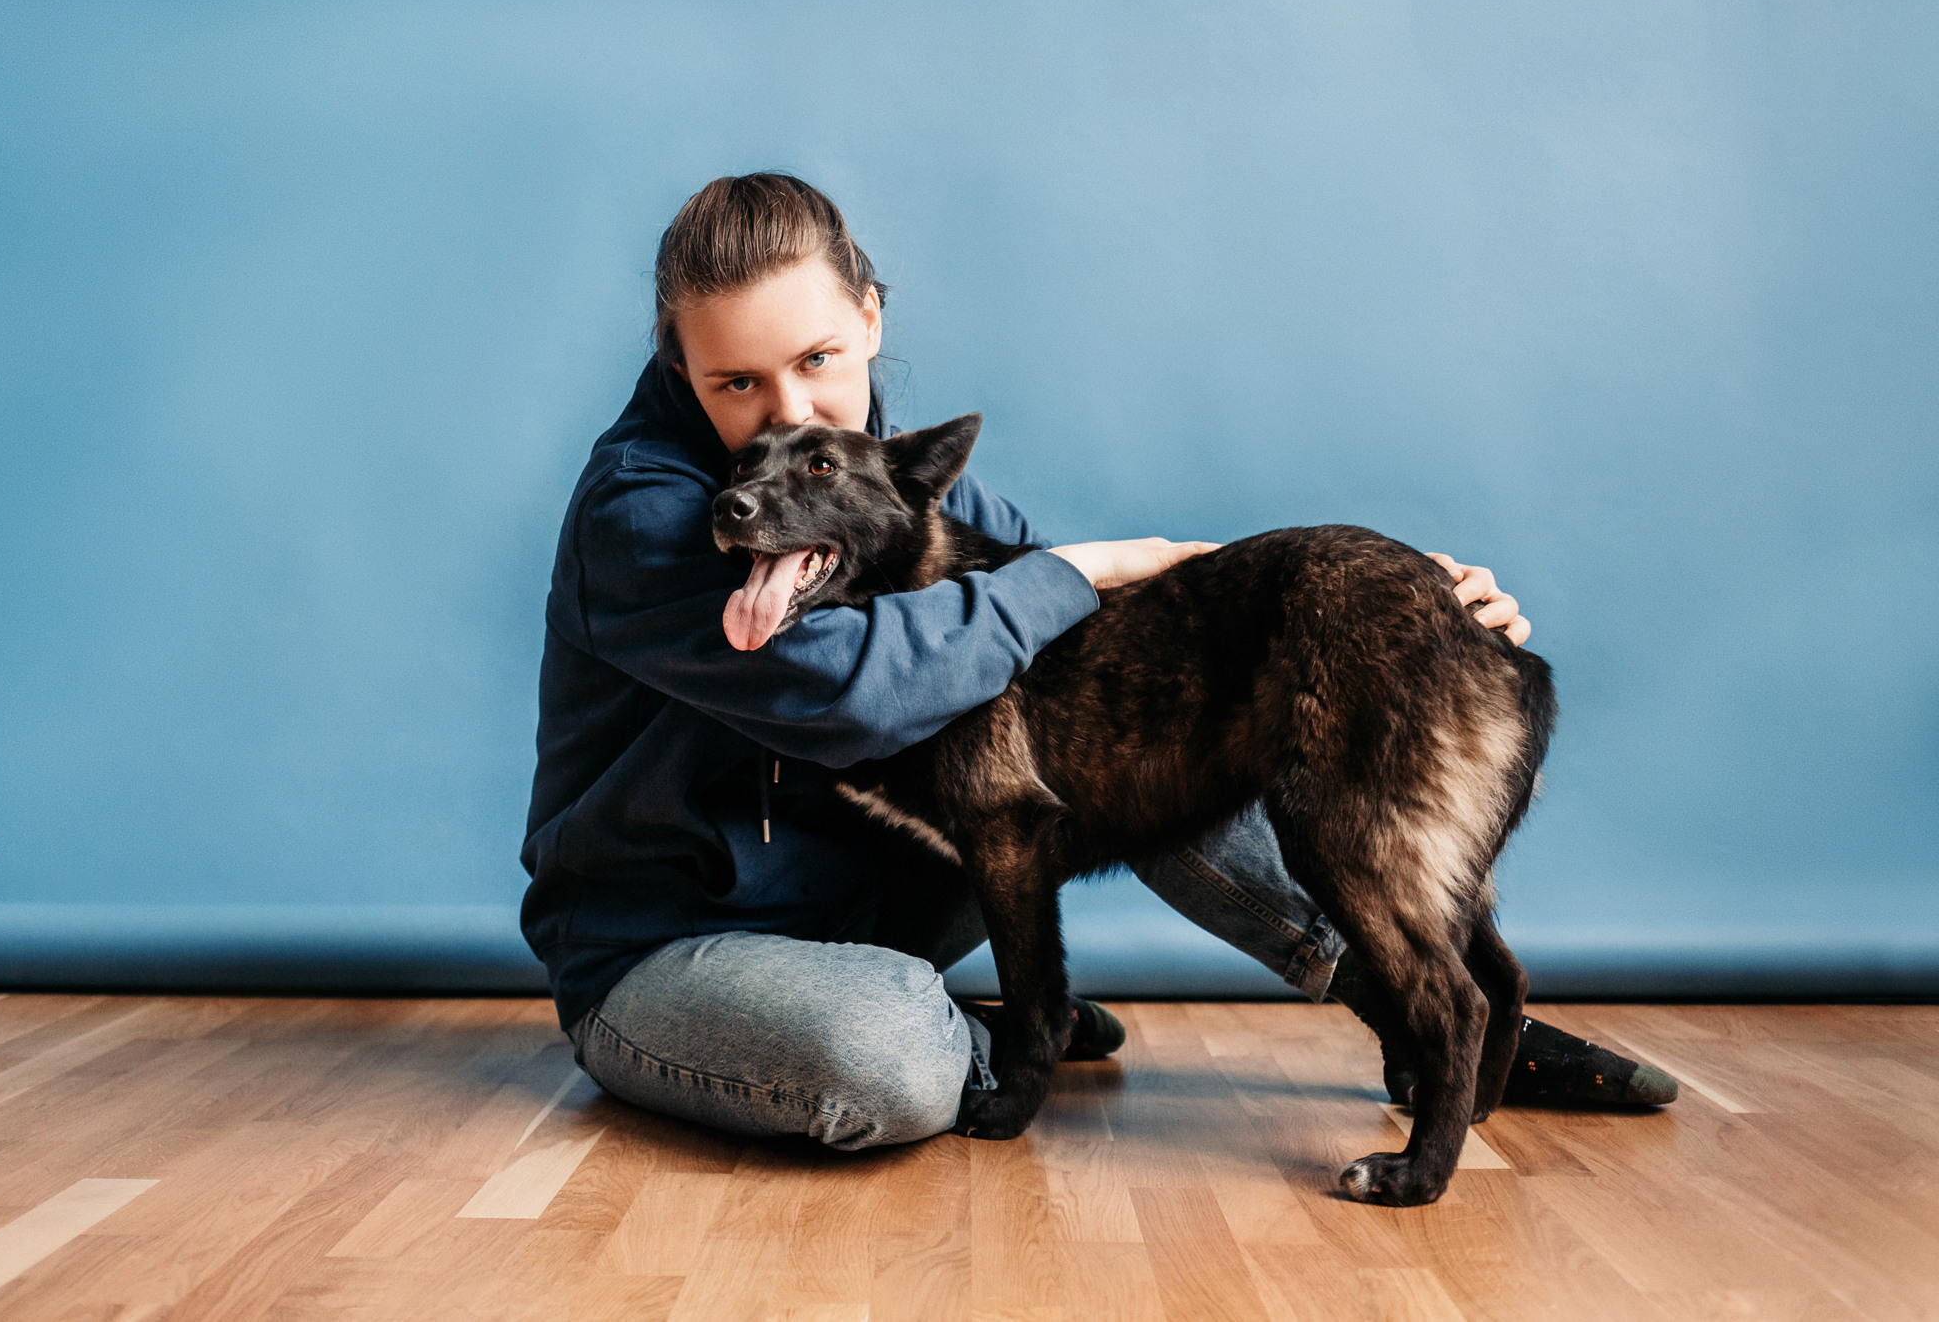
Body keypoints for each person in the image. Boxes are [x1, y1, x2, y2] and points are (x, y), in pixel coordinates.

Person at [520, 172, 1675, 1153]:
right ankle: (980, 1029)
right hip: (671, 952)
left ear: (870, 317)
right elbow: (848, 687)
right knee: (887, 1063)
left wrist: (1403, 614)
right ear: (681, 368)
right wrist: (1077, 566)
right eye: (736, 384)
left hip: (881, 903)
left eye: (818, 357)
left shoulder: (884, 480)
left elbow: (1102, 645)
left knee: (1167, 727)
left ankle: (1425, 1010)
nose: (788, 409)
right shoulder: (648, 514)